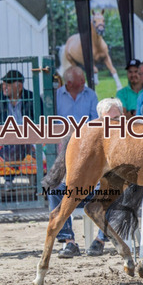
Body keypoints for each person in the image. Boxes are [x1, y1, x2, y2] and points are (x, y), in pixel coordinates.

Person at [50, 65, 98, 258]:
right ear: (69, 83)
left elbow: (95, 123)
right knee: (55, 187)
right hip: (64, 151)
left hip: (89, 151)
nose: (84, 83)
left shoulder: (90, 95)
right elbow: (51, 122)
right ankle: (68, 240)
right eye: (80, 81)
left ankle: (100, 240)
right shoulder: (55, 97)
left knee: (104, 188)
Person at [0, 70, 41, 201]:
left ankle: (39, 192)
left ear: (19, 86)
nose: (4, 86)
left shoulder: (33, 98)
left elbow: (41, 121)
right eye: (4, 83)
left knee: (40, 150)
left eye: (8, 84)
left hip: (27, 141)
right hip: (3, 143)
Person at [85, 97, 124, 256]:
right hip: (90, 186)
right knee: (58, 189)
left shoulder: (128, 139)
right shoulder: (91, 138)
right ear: (100, 120)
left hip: (113, 187)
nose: (112, 123)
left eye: (116, 118)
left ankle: (100, 239)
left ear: (122, 117)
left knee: (110, 191)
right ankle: (68, 241)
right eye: (107, 120)